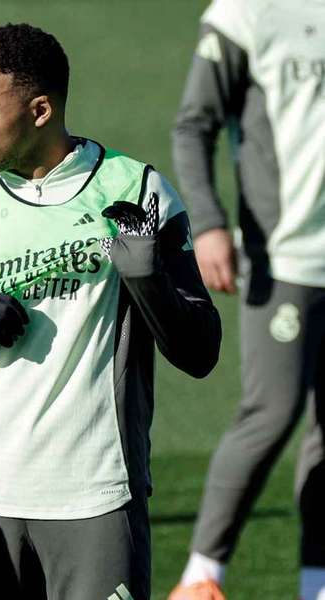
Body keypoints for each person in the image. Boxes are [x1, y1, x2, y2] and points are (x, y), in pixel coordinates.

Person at [0, 23, 221, 600]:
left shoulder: (134, 189)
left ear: (39, 110)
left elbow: (200, 352)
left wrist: (146, 279)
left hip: (94, 498)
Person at [166, 1, 325, 599]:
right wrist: (207, 222)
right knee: (272, 412)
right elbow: (194, 124)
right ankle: (201, 577)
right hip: (286, 257)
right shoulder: (248, 13)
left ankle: (317, 583)